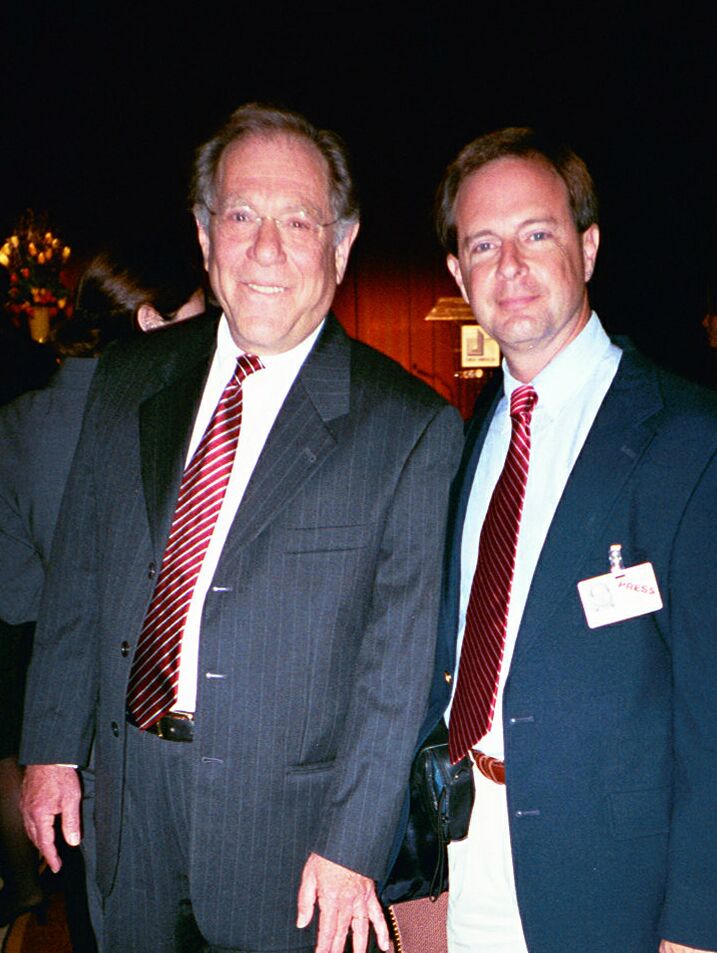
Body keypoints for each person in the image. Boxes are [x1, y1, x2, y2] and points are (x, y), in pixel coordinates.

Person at [19, 103, 463, 953]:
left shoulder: (406, 427)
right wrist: (48, 749)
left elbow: (396, 671)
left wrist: (352, 844)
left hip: (290, 838)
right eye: (241, 215)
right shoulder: (130, 376)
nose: (265, 249)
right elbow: (79, 573)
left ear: (341, 245)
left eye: (297, 222)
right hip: (128, 805)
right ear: (203, 234)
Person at [386, 128, 717, 953]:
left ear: (587, 246)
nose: (509, 265)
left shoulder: (687, 439)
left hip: (615, 888)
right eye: (482, 245)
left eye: (535, 233)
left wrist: (696, 925)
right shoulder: (461, 441)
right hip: (466, 857)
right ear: (457, 274)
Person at [0, 252, 205, 942]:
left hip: (66, 715)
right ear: (151, 320)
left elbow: (15, 592)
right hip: (166, 711)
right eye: (198, 312)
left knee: (108, 916)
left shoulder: (18, 423)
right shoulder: (181, 409)